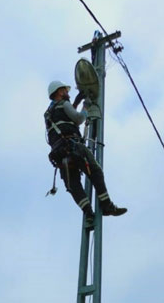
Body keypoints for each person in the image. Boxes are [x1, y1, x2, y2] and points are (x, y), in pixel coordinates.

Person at [44, 80, 127, 224]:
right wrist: (85, 107)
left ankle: (88, 213)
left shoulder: (48, 113)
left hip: (60, 155)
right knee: (95, 171)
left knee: (73, 185)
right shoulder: (64, 104)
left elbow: (64, 117)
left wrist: (75, 102)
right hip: (74, 147)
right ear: (59, 92)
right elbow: (78, 119)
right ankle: (106, 204)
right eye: (65, 91)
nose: (68, 94)